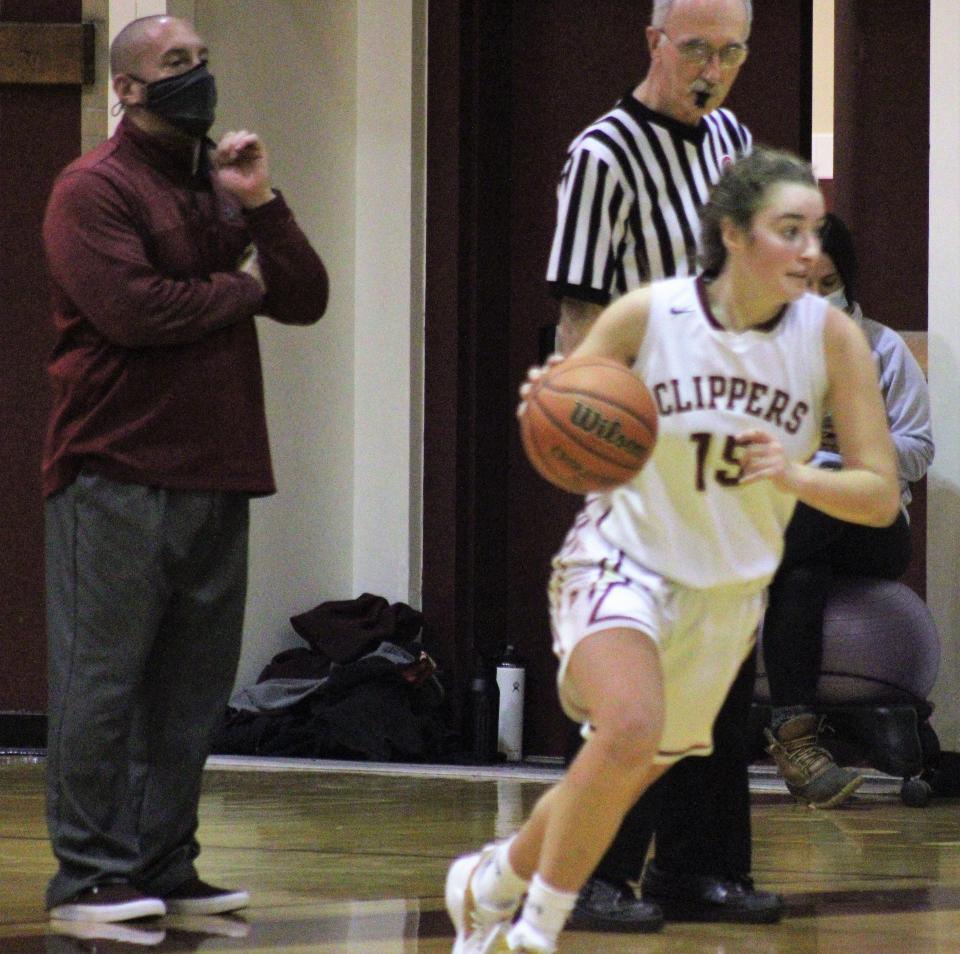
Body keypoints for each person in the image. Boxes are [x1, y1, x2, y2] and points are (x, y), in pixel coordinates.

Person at [446, 147, 899, 954]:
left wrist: (794, 473)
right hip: (620, 558)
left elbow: (878, 493)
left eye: (815, 232)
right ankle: (533, 932)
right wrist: (554, 412)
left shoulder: (836, 342)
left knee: (620, 766)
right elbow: (561, 420)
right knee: (627, 725)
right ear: (731, 234)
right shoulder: (649, 314)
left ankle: (492, 880)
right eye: (787, 230)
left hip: (724, 596)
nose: (810, 251)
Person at [41, 15, 328, 923]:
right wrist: (243, 287)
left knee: (192, 690)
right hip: (116, 469)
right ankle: (88, 876)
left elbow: (307, 297)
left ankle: (164, 864)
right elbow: (134, 310)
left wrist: (262, 203)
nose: (197, 76)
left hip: (220, 468)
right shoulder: (92, 189)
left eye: (203, 61)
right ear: (127, 89)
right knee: (104, 680)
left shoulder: (218, 184)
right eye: (175, 64)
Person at [545, 0, 779, 930]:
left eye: (730, 51)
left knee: (720, 651)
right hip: (639, 439)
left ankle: (698, 865)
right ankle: (589, 872)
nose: (711, 68)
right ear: (654, 43)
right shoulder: (602, 154)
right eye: (695, 49)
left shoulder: (733, 136)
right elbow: (577, 316)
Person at [761, 212, 934, 806]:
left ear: (848, 282)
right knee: (800, 573)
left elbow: (921, 448)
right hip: (798, 515)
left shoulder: (884, 348)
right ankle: (798, 741)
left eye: (827, 282)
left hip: (876, 521)